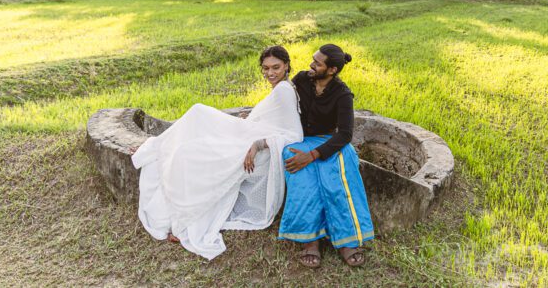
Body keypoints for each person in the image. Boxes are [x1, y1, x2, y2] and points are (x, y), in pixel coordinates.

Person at [130, 46, 303, 260]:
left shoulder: (284, 90)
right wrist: (250, 118)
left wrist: (259, 143)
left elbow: (294, 135)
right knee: (196, 121)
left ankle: (181, 212)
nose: (270, 73)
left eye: (276, 67)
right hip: (248, 136)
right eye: (265, 68)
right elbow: (271, 118)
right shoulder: (280, 88)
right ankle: (157, 148)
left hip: (256, 147)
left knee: (196, 121)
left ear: (286, 65)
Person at [278, 44, 374, 268]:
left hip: (328, 142)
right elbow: (278, 102)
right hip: (298, 139)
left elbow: (345, 134)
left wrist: (313, 155)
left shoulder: (342, 94)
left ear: (332, 70)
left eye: (317, 63)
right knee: (303, 177)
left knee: (339, 178)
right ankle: (310, 240)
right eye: (313, 59)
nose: (311, 64)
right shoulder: (302, 79)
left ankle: (346, 240)